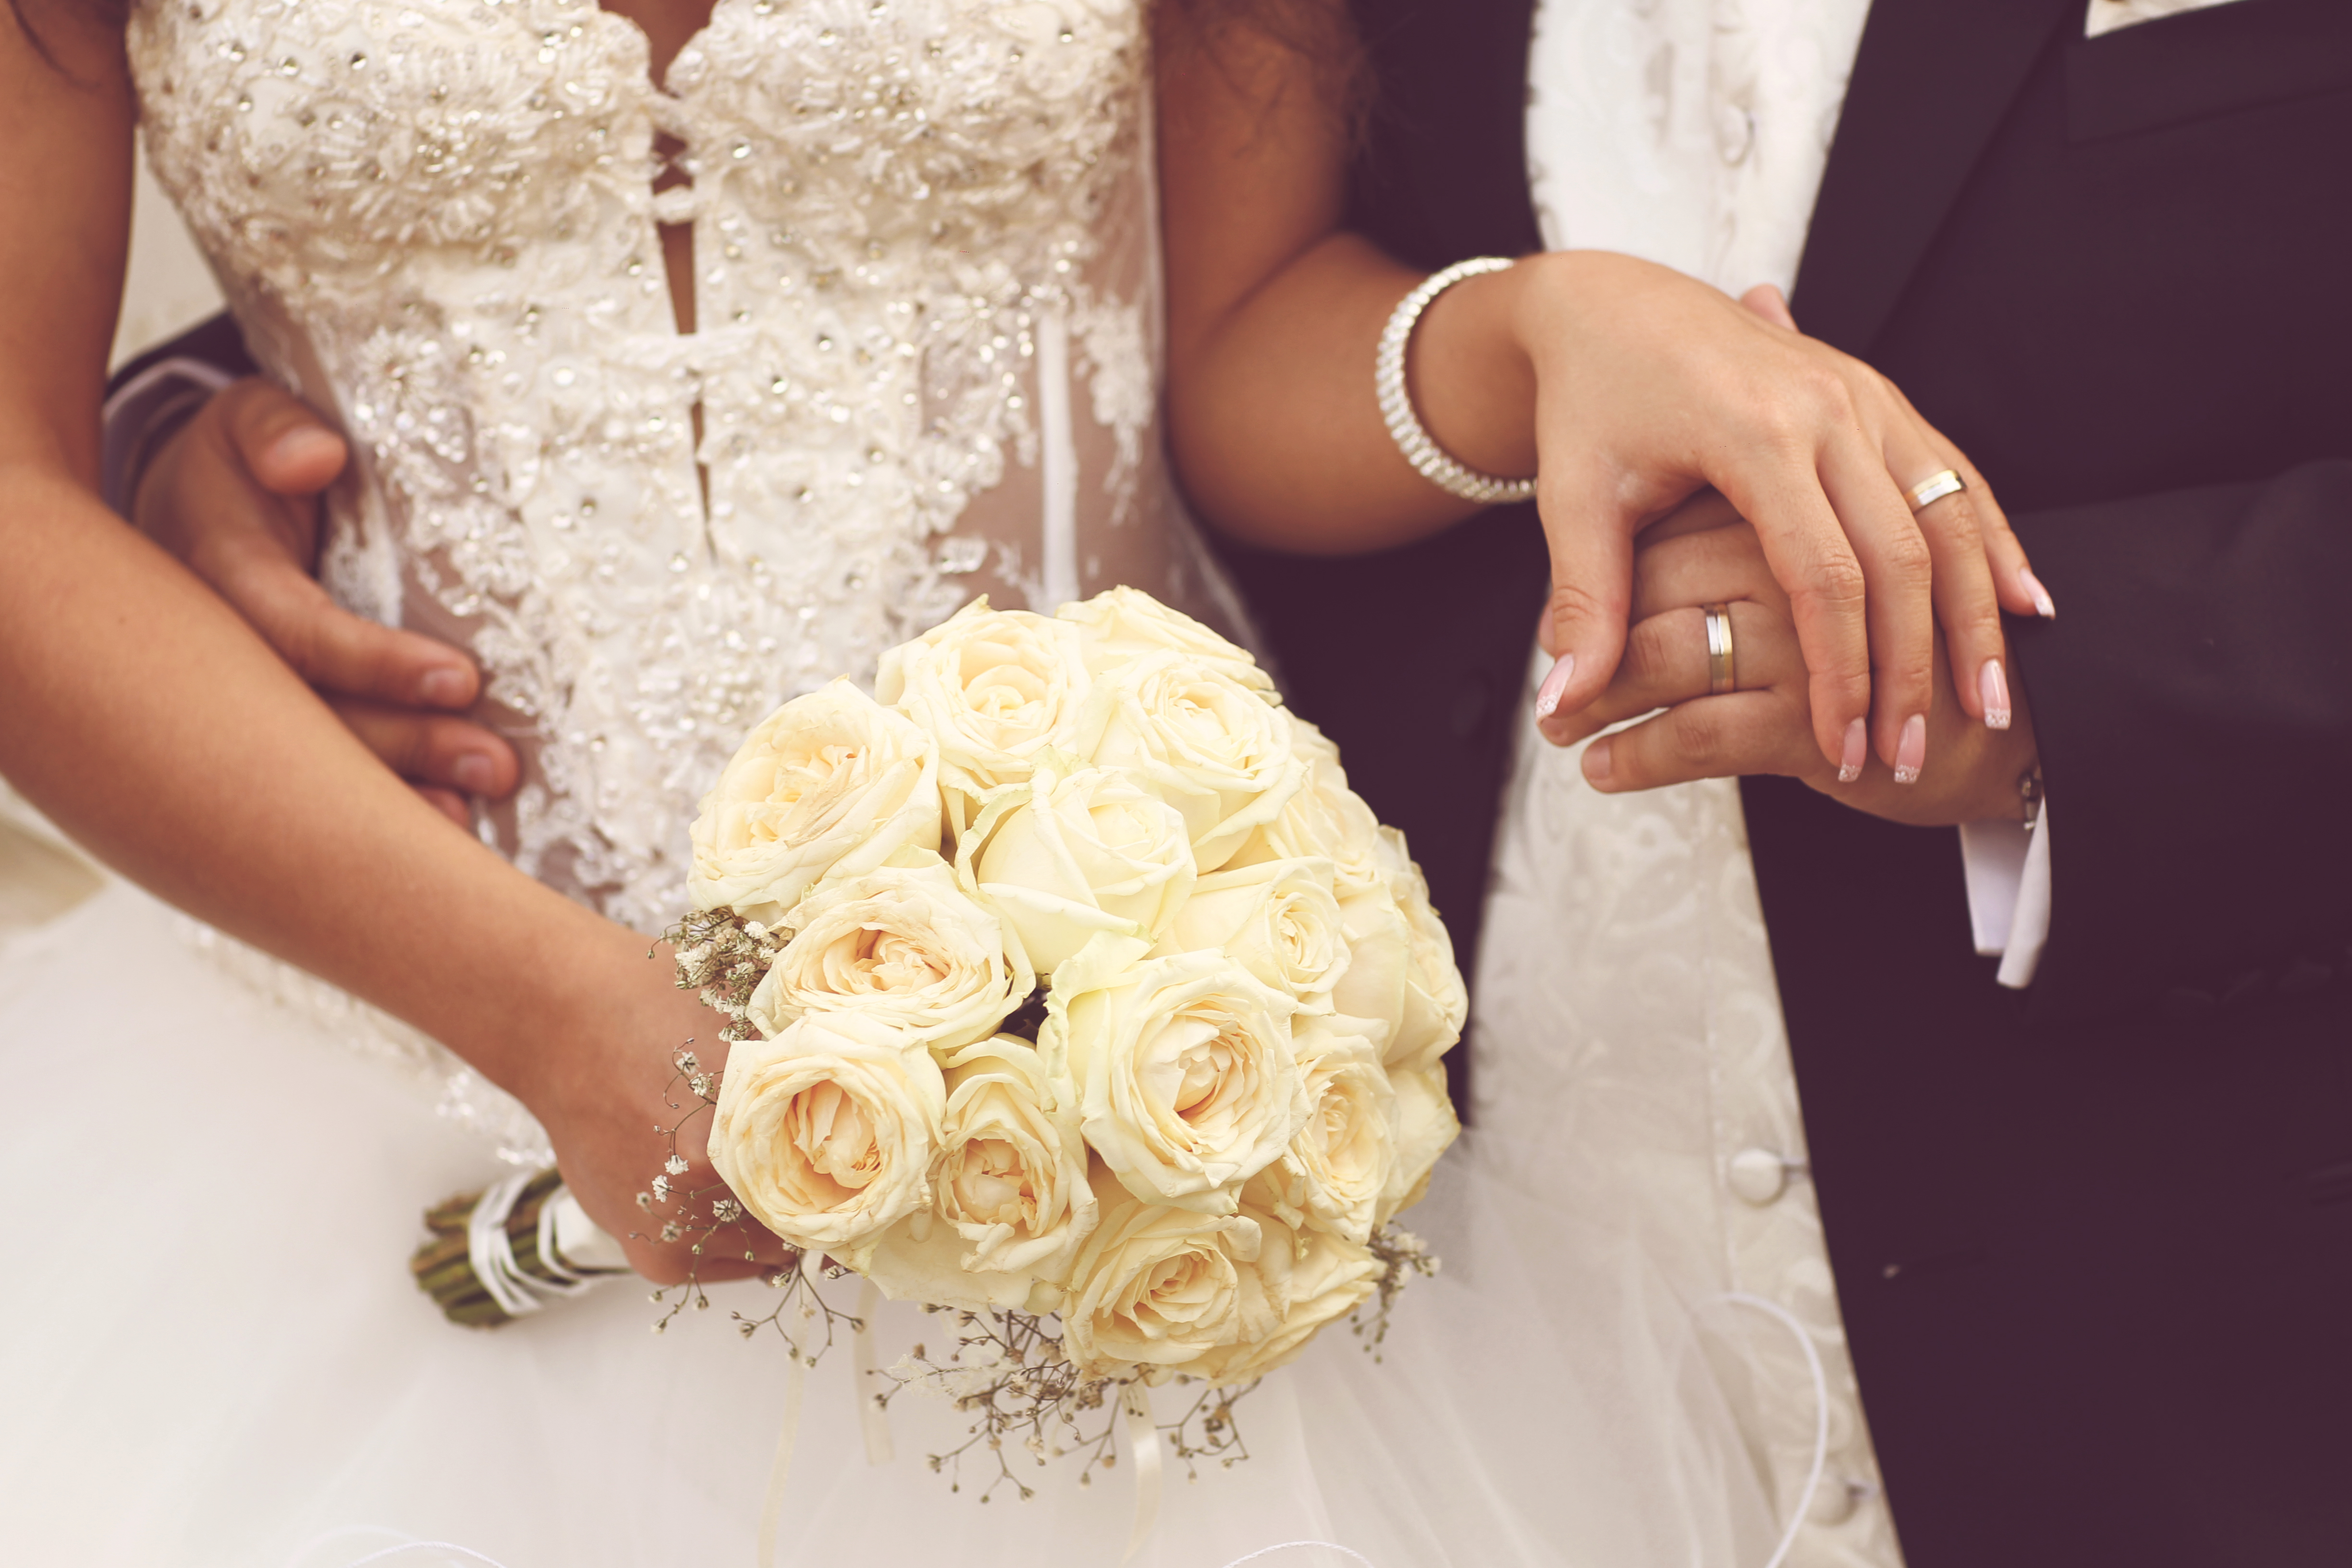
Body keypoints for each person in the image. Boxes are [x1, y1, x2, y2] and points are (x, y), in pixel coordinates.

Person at [0, 6, 2077, 1568]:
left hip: (1115, 1061)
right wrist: (532, 1000)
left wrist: (1542, 342)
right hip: (361, 1081)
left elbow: (1233, 359)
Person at [1189, 1, 2352, 1564]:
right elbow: (1239, 324)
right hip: (1468, 1260)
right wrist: (1525, 330)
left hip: (2195, 1276)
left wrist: (2050, 700)